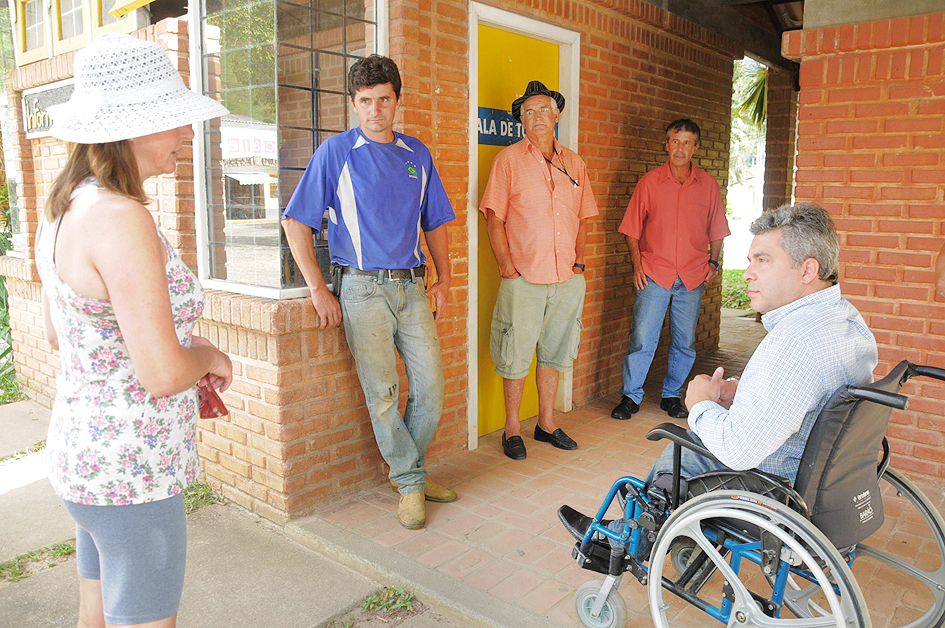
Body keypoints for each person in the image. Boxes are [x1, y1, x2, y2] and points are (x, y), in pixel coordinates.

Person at [37, 33, 233, 628]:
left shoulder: (67, 208)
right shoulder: (122, 220)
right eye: (174, 121)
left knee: (95, 615)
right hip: (132, 471)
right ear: (133, 127)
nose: (186, 134)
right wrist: (205, 353)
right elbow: (161, 371)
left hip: (87, 461)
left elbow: (56, 335)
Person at [281, 54, 456, 530]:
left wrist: (445, 278)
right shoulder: (336, 152)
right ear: (354, 105)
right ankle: (410, 479)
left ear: (397, 101)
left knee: (432, 389)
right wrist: (318, 290)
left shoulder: (417, 153)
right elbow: (296, 223)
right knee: (383, 394)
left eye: (384, 99)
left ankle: (408, 475)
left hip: (412, 287)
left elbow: (436, 221)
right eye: (365, 101)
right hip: (360, 289)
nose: (375, 109)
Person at [645, 203, 878, 489]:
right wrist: (741, 389)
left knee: (683, 450)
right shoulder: (846, 319)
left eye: (762, 260)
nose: (747, 274)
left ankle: (625, 531)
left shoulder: (795, 340)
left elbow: (738, 450)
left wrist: (700, 404)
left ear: (807, 270)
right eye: (750, 261)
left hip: (773, 484)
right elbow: (805, 390)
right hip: (826, 480)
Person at [480, 80, 599, 460]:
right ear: (521, 121)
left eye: (543, 109)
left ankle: (546, 423)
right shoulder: (508, 161)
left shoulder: (575, 163)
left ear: (556, 114)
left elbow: (583, 218)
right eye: (528, 113)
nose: (536, 117)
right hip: (524, 278)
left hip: (567, 277)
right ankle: (512, 428)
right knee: (516, 353)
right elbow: (493, 218)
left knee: (556, 351)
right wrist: (507, 267)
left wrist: (579, 262)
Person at [612, 119, 730, 422]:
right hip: (654, 272)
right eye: (676, 141)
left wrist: (713, 263)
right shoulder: (650, 182)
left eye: (687, 142)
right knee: (642, 337)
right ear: (667, 145)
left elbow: (717, 228)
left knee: (685, 341)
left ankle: (671, 395)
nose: (681, 148)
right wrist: (637, 265)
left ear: (696, 147)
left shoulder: (708, 185)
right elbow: (631, 229)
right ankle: (630, 396)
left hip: (692, 275)